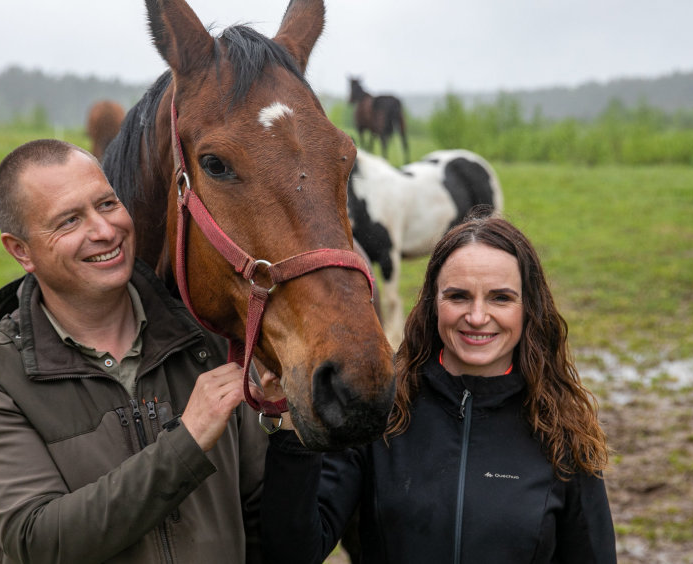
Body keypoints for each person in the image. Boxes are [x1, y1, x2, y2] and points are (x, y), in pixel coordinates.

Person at [0, 139, 268, 563]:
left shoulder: (208, 342)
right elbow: (38, 541)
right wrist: (187, 440)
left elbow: (266, 513)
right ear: (21, 250)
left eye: (107, 203)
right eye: (69, 221)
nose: (104, 230)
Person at [259, 212, 616, 563]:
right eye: (458, 296)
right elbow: (293, 552)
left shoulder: (562, 430)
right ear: (433, 304)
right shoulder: (382, 409)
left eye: (500, 298)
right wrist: (291, 428)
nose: (477, 317)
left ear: (529, 308)